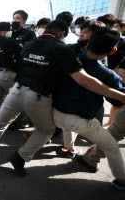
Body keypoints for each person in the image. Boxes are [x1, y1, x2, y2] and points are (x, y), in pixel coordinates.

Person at [0, 19, 125, 178]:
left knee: (0, 122)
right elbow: (83, 79)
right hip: (38, 96)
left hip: (16, 90)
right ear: (62, 34)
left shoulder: (30, 44)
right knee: (46, 130)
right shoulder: (63, 50)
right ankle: (20, 157)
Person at [52, 28, 125, 190]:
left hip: (53, 114)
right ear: (113, 50)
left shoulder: (71, 60)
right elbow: (118, 103)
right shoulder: (108, 75)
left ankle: (67, 148)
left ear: (88, 44)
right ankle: (122, 179)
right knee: (111, 146)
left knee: (61, 128)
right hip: (81, 121)